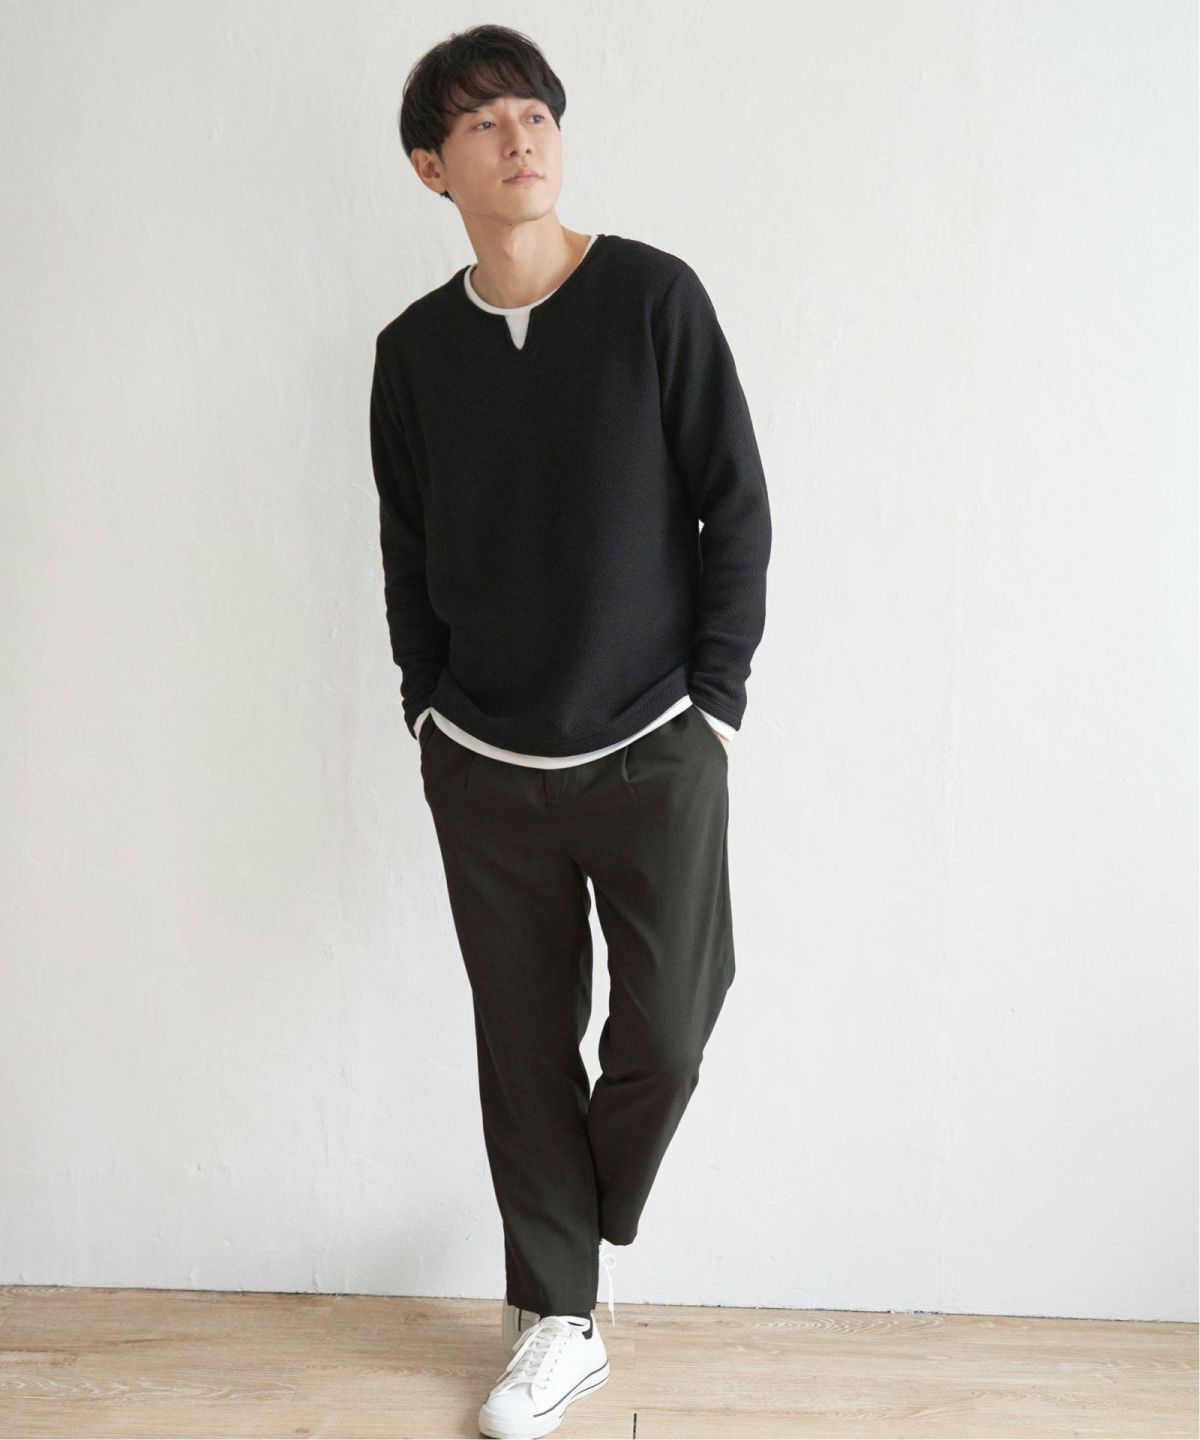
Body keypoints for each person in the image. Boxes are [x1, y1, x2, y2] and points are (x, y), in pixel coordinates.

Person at [369, 24, 772, 1438]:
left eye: (534, 114)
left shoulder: (655, 298)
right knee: (523, 1045)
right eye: (482, 124)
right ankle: (559, 1318)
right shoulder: (413, 353)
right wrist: (426, 706)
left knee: (671, 1026)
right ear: (434, 168)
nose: (520, 138)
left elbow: (737, 507)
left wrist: (716, 707)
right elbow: (407, 547)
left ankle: (571, 1233)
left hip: (657, 741)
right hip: (484, 762)